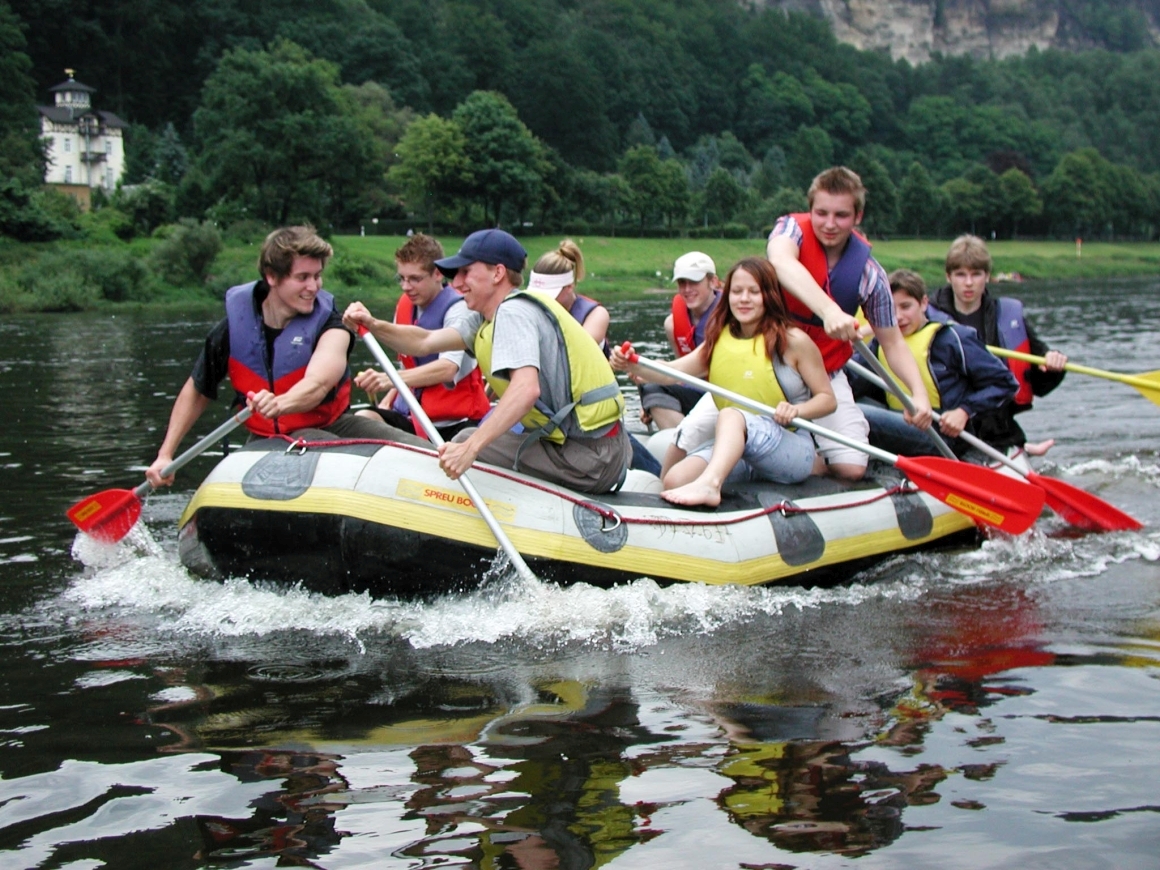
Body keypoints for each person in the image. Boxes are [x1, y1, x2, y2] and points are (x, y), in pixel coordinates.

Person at [344, 228, 632, 495]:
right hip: (583, 448)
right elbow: (424, 341)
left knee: (464, 442)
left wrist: (471, 449)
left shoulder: (513, 314)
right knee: (468, 437)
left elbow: (526, 389)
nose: (455, 283)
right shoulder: (486, 318)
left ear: (498, 273)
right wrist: (373, 324)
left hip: (592, 457)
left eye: (466, 272)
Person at [145, 226, 423, 488]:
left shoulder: (332, 324)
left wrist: (280, 404)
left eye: (317, 276)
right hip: (267, 438)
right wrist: (165, 454)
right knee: (321, 447)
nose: (313, 287)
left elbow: (318, 384)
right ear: (272, 276)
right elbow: (197, 390)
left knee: (423, 455)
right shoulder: (233, 327)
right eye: (302, 277)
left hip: (334, 424)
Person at [611, 258, 836, 507]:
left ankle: (711, 485)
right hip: (743, 450)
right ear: (727, 296)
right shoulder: (718, 338)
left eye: (754, 292)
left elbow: (827, 399)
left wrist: (797, 410)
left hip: (789, 443)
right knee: (676, 479)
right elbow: (672, 373)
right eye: (737, 292)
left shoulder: (794, 341)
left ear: (769, 295)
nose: (744, 299)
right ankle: (726, 478)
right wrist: (632, 364)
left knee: (730, 415)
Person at [766, 166, 933, 480]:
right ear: (810, 210)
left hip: (825, 375)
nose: (829, 224)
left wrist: (918, 395)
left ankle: (811, 459)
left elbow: (893, 342)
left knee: (852, 468)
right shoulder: (791, 231)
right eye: (821, 213)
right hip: (768, 364)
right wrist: (830, 311)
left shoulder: (871, 275)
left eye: (841, 215)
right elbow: (780, 262)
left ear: (857, 216)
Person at [852, 269, 1018, 458]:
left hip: (941, 434)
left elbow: (1005, 383)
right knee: (841, 404)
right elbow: (852, 382)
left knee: (860, 415)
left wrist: (964, 411)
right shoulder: (880, 343)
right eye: (891, 309)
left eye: (906, 307)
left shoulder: (954, 338)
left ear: (923, 303)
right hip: (899, 422)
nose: (897, 317)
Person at [529, 240, 662, 477]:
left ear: (569, 287)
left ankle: (660, 476)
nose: (541, 303)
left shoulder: (595, 314)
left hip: (591, 417)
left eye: (548, 296)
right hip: (554, 413)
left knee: (644, 465)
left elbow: (571, 356)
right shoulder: (534, 311)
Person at [928, 234, 1067, 455]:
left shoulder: (1007, 316)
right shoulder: (926, 317)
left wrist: (1054, 366)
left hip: (996, 427)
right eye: (960, 274)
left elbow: (1040, 382)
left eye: (976, 274)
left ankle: (1019, 451)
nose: (969, 283)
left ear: (987, 276)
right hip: (941, 422)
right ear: (948, 276)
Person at [354, 234, 490, 441]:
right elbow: (406, 365)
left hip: (456, 423)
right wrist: (388, 399)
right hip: (412, 416)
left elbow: (447, 368)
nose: (406, 287)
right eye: (402, 278)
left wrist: (387, 380)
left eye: (415, 279)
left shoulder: (460, 309)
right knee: (363, 419)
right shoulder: (405, 305)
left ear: (437, 274)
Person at [638, 251, 723, 430]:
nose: (686, 289)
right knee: (651, 388)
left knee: (653, 379)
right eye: (682, 283)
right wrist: (650, 397)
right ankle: (680, 442)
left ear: (713, 282)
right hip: (697, 392)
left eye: (694, 282)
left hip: (724, 395)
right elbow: (683, 377)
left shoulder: (729, 318)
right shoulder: (672, 324)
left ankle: (686, 444)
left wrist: (657, 368)